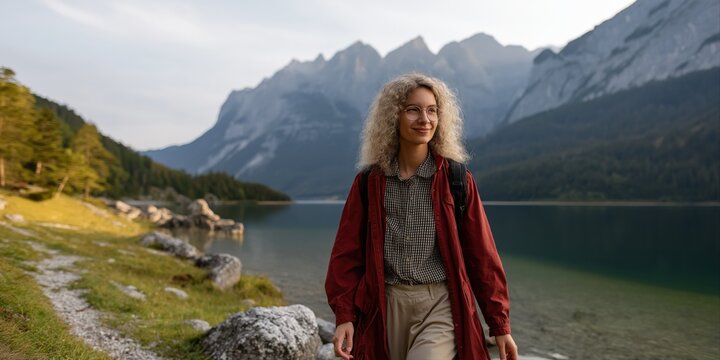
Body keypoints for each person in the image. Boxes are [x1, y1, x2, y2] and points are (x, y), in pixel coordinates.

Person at [325, 73, 518, 360]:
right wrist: (345, 316)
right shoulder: (370, 182)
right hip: (383, 304)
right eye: (413, 110)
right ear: (394, 117)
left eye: (432, 110)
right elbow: (346, 254)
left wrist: (499, 324)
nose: (424, 119)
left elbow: (483, 257)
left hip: (438, 303)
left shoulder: (457, 180)